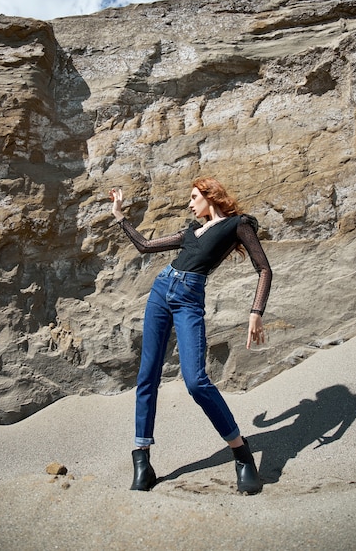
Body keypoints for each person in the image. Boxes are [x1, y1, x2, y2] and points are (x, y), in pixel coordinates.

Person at [110, 176, 272, 495]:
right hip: (161, 289)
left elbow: (264, 268)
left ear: (210, 196)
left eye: (194, 196)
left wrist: (256, 312)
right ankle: (142, 458)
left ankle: (241, 454)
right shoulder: (189, 231)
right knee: (147, 376)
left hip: (188, 298)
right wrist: (119, 215)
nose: (189, 202)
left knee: (196, 381)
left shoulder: (238, 225)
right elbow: (144, 246)